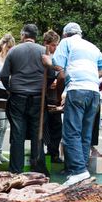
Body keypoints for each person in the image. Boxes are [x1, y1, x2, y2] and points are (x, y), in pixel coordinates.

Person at [49, 22, 102, 185]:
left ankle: (78, 171)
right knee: (85, 133)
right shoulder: (92, 46)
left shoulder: (67, 43)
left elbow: (57, 64)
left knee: (71, 132)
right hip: (93, 92)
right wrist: (92, 75)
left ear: (65, 35)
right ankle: (82, 169)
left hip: (77, 90)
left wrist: (47, 62)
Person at [1, 23, 50, 174]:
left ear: (23, 35)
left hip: (17, 96)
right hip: (37, 97)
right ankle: (37, 169)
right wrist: (44, 88)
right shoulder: (43, 51)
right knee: (37, 133)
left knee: (17, 133)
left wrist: (10, 89)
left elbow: (3, 75)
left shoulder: (14, 51)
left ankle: (16, 170)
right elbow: (53, 74)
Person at [41, 30, 64, 164]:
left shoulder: (59, 57)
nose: (55, 48)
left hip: (56, 96)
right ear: (46, 43)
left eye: (57, 45)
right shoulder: (42, 55)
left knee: (56, 125)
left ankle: (53, 152)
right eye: (53, 45)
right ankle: (42, 152)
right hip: (43, 95)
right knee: (44, 125)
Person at [0, 33, 15, 164]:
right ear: (3, 45)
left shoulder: (11, 60)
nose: (10, 50)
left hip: (8, 92)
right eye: (9, 47)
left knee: (4, 126)